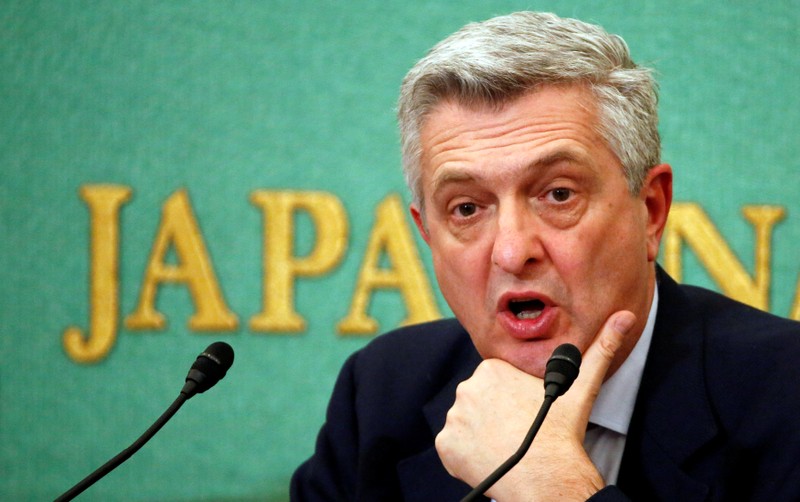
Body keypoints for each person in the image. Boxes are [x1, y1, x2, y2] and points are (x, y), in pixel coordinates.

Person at [291, 11, 800, 501]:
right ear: (427, 235)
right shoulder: (381, 395)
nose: (512, 253)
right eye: (467, 208)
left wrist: (552, 488)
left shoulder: (785, 394)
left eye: (558, 195)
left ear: (649, 210)